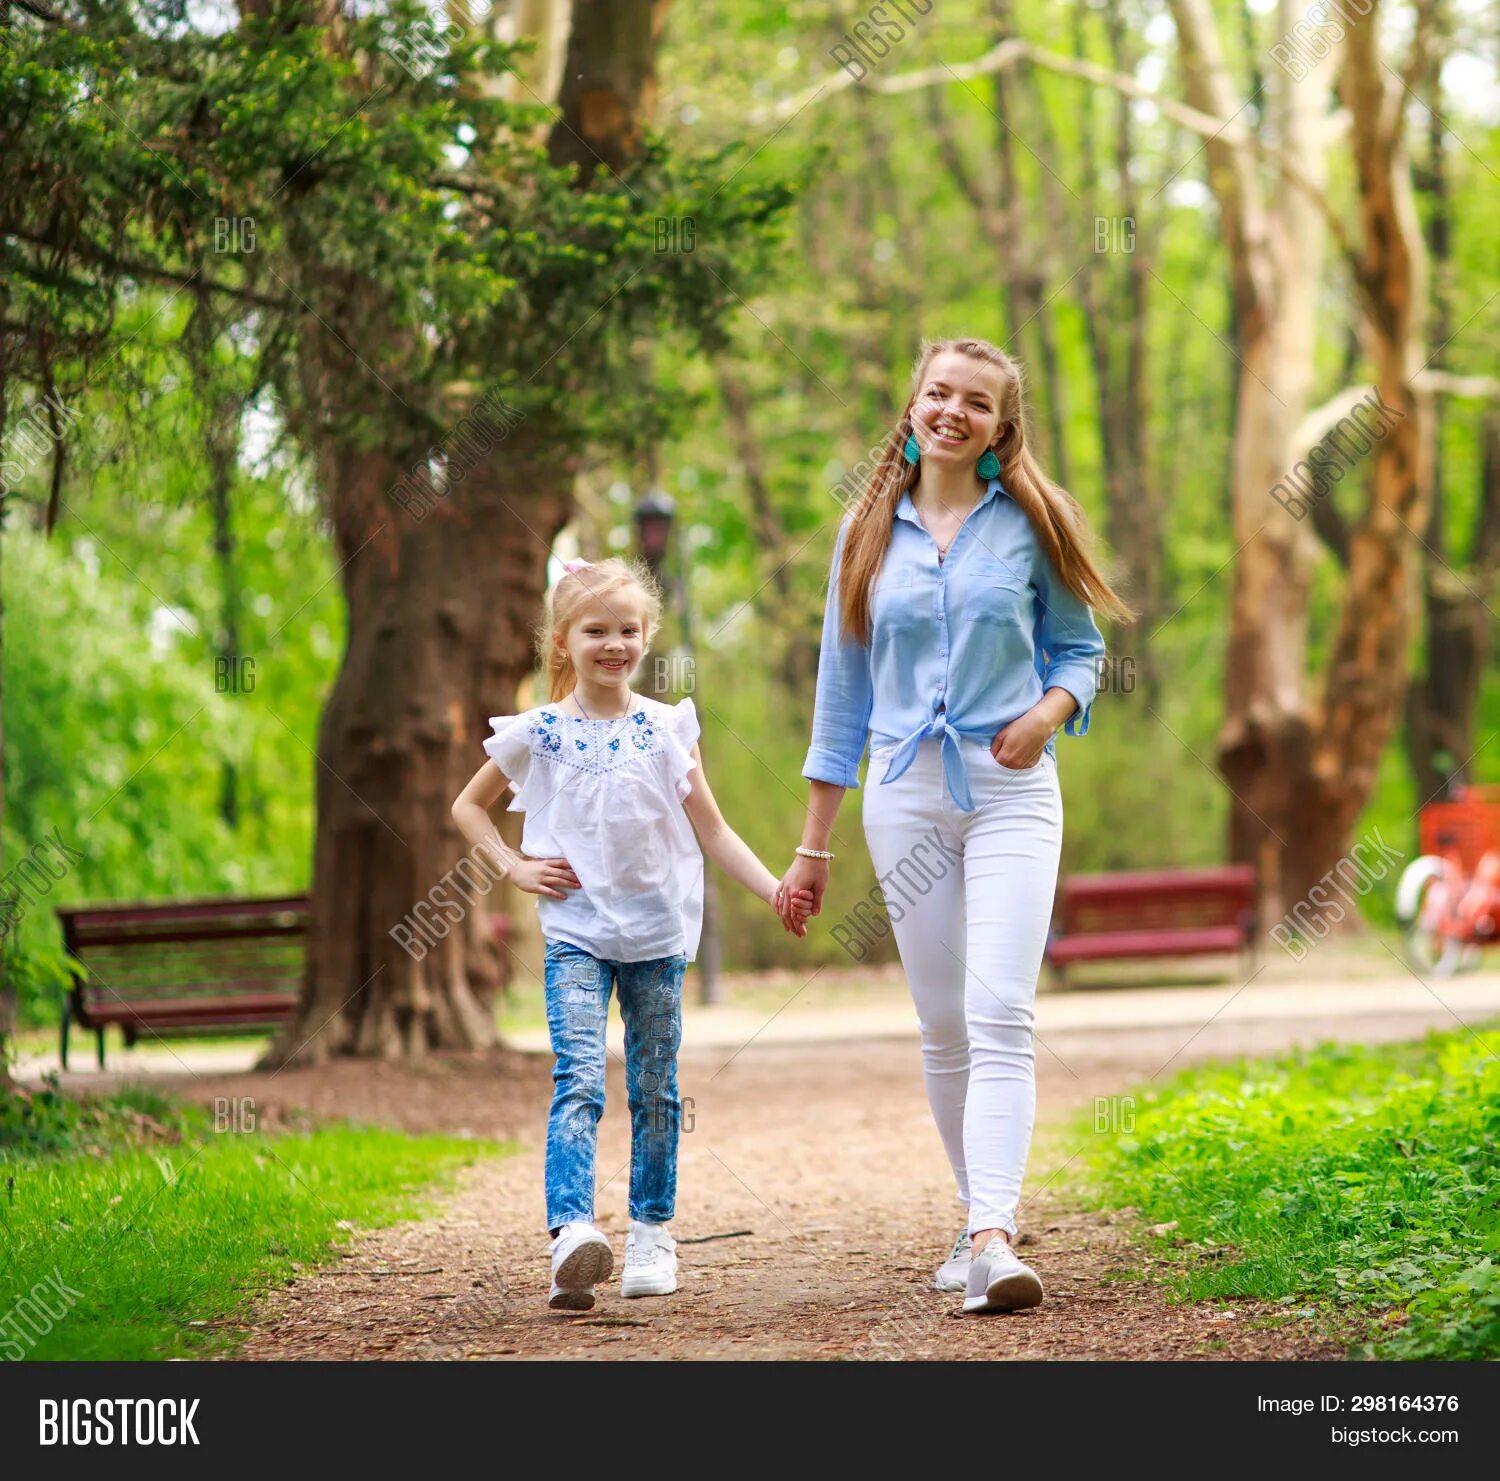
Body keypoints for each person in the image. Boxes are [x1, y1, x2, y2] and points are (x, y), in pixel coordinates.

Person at [775, 337, 1134, 1314]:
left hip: (1013, 785)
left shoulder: (1032, 523)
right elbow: (838, 703)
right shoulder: (864, 533)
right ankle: (975, 1211)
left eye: (975, 402)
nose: (952, 411)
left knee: (1000, 1010)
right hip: (904, 790)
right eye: (938, 392)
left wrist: (1046, 714)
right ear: (913, 405)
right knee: (942, 1023)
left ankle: (992, 1236)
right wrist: (813, 847)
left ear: (1001, 427)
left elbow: (1080, 651)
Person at [452, 556, 813, 1311]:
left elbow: (711, 829)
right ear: (562, 641)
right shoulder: (539, 733)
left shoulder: (665, 729)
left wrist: (777, 887)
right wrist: (513, 867)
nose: (612, 643)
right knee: (578, 1077)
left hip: (654, 934)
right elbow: (468, 808)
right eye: (595, 631)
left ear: (646, 635)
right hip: (575, 935)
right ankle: (572, 1235)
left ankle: (652, 1231)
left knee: (656, 1088)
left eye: (626, 629)